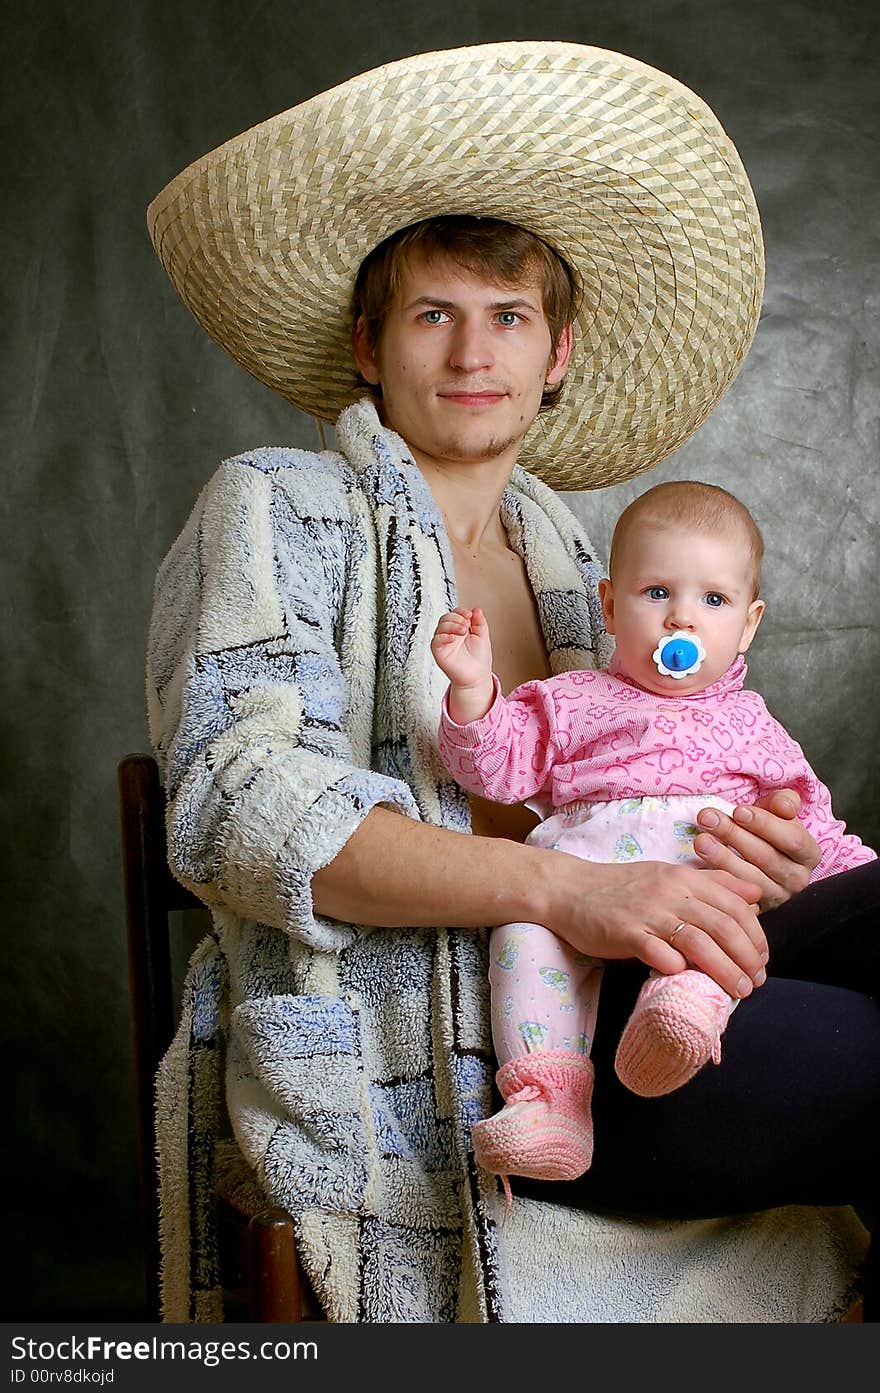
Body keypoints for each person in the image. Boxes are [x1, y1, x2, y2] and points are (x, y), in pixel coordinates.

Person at [146, 42, 879, 1323]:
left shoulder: (581, 563)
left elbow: (644, 783)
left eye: (510, 316)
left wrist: (756, 853)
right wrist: (574, 887)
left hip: (656, 976)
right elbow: (236, 807)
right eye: (434, 314)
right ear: (371, 346)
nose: (473, 350)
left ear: (558, 352)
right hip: (488, 1052)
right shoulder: (278, 507)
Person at [432, 480, 875, 1190]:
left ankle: (681, 1015)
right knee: (519, 937)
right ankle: (550, 1103)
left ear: (750, 624)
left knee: (718, 918)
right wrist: (473, 691)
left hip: (697, 903)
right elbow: (495, 765)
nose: (682, 621)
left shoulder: (755, 726)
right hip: (575, 895)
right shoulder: (571, 699)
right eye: (657, 593)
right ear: (610, 605)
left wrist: (856, 874)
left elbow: (814, 828)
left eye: (713, 601)